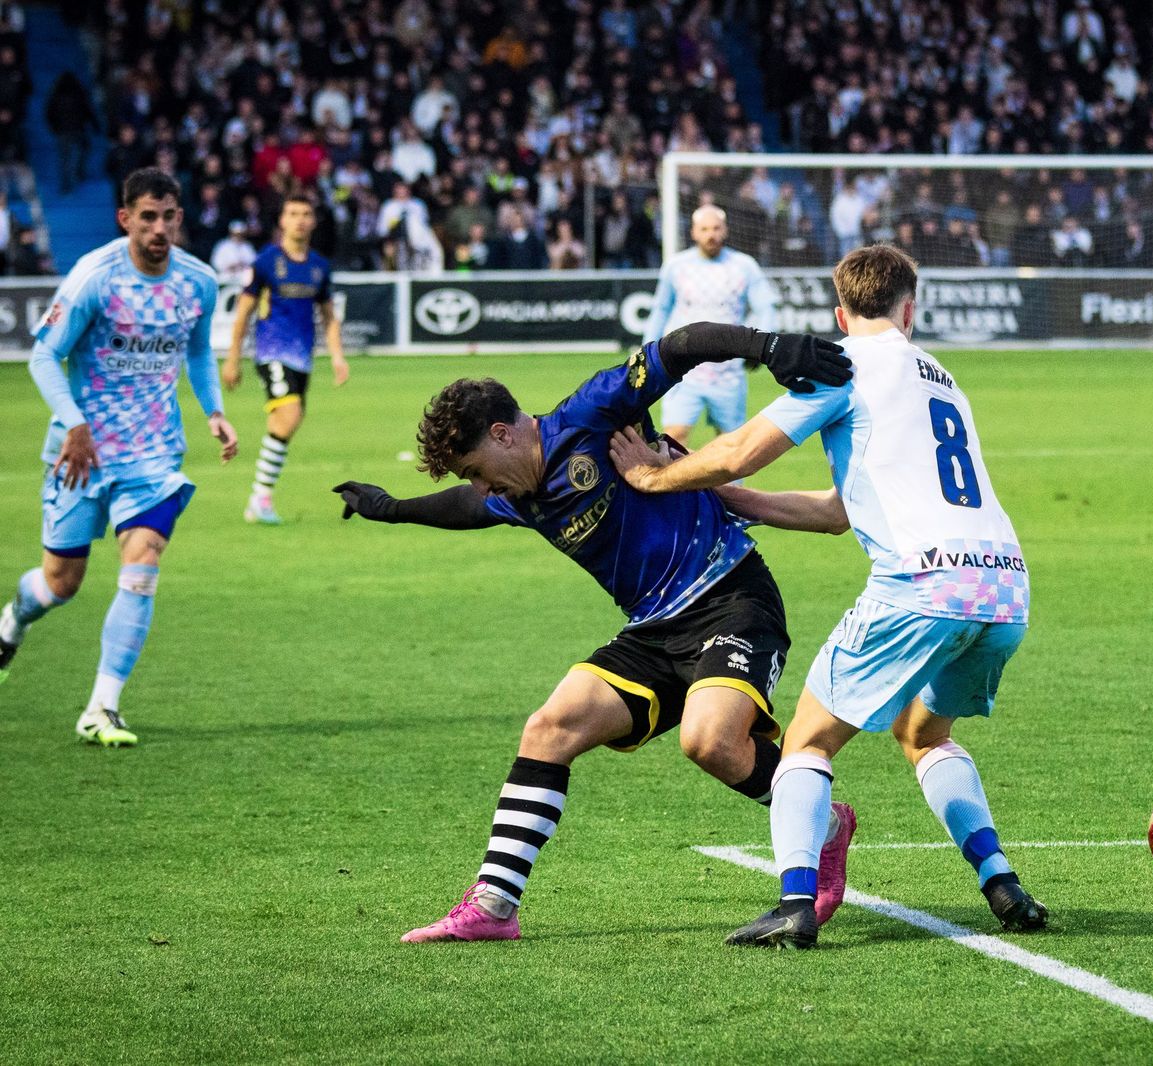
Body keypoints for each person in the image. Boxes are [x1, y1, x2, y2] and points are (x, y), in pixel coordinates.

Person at [331, 322, 854, 943]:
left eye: (476, 468)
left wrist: (770, 348)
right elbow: (464, 510)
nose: (480, 487)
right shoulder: (514, 495)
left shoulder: (591, 413)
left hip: (732, 597)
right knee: (549, 727)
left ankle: (823, 828)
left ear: (503, 433)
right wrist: (391, 508)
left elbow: (679, 347)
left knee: (710, 741)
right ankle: (494, 907)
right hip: (653, 632)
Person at [610, 245, 1045, 949]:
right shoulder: (941, 377)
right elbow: (839, 510)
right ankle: (1000, 880)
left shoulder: (841, 364)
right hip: (1003, 587)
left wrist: (656, 479)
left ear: (838, 314)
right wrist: (727, 496)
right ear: (912, 308)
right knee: (924, 732)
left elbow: (740, 448)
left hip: (921, 581)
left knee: (806, 742)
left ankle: (793, 903)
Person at [0, 168, 240, 744]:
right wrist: (75, 425)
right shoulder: (95, 278)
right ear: (125, 218)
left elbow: (198, 352)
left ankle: (102, 707)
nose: (159, 229)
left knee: (143, 565)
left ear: (180, 219)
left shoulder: (198, 282)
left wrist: (213, 409)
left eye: (169, 217)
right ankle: (11, 621)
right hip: (81, 455)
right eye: (148, 217)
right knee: (61, 583)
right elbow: (43, 356)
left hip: (154, 455)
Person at [221, 193, 349, 524]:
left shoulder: (320, 266)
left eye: (306, 213)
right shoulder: (265, 262)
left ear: (313, 221)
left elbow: (329, 315)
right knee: (289, 417)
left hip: (302, 357)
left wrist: (337, 356)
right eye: (293, 213)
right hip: (271, 351)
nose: (300, 219)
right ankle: (260, 498)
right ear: (282, 220)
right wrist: (233, 358)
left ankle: (259, 499)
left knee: (284, 423)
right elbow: (244, 312)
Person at [643, 205, 777, 447]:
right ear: (693, 232)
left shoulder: (744, 266)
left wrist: (760, 347)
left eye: (716, 228)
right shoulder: (677, 266)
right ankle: (679, 485)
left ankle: (724, 487)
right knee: (674, 436)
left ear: (725, 230)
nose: (710, 234)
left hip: (728, 371)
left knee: (729, 445)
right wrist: (647, 350)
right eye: (704, 229)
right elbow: (660, 310)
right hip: (681, 368)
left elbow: (766, 307)